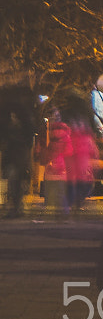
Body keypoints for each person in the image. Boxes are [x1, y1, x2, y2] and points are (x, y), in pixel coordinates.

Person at [0, 80, 41, 217]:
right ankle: (16, 205)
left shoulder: (18, 114)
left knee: (15, 177)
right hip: (15, 150)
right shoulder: (13, 114)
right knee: (14, 178)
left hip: (17, 150)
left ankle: (16, 206)